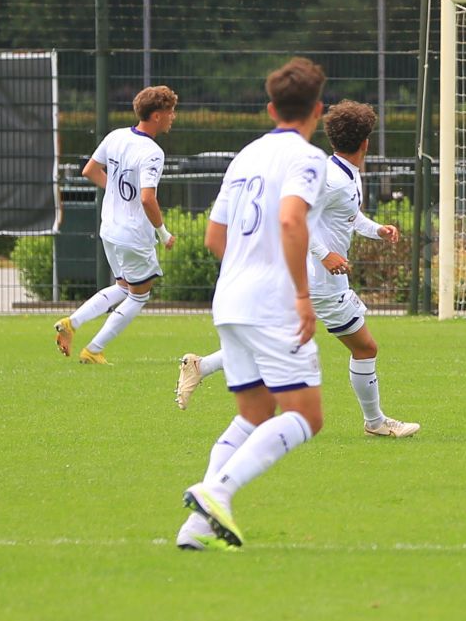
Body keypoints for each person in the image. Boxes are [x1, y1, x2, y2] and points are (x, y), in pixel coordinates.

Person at [174, 100, 420, 439]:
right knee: (364, 348)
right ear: (366, 142)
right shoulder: (331, 179)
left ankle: (200, 366)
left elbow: (347, 216)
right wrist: (324, 255)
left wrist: (376, 229)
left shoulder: (342, 172)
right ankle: (374, 422)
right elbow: (295, 218)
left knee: (273, 344)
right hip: (320, 282)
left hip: (307, 277)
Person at [176, 57, 329, 551]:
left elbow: (214, 236)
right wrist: (301, 295)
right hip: (272, 302)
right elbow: (290, 221)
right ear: (318, 110)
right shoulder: (307, 158)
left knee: (256, 413)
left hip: (231, 297)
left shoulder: (244, 154)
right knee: (306, 415)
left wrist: (247, 269)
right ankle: (216, 491)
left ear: (270, 108)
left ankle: (196, 527)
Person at [53, 86, 178, 364]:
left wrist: (116, 194)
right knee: (138, 297)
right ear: (157, 115)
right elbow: (147, 199)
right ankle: (94, 350)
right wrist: (164, 233)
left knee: (123, 286)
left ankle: (71, 323)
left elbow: (89, 170)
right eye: (170, 112)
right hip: (133, 234)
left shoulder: (116, 136)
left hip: (109, 228)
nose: (173, 117)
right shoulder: (153, 152)